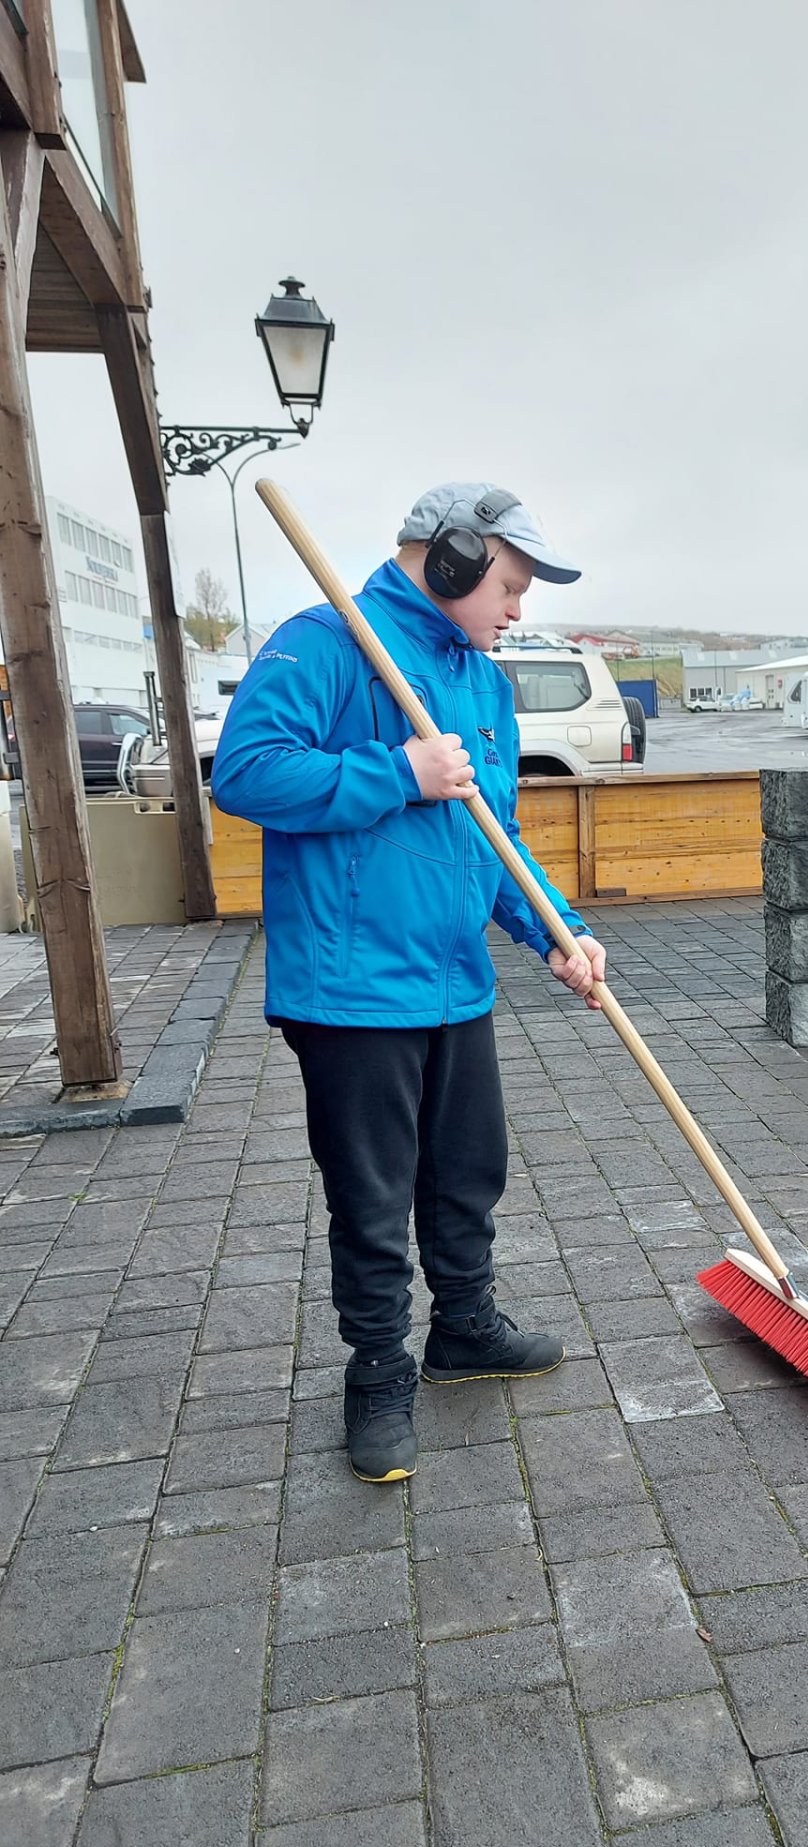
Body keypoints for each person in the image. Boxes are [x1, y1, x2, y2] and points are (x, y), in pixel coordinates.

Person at [211, 482, 607, 1485]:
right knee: (374, 1194)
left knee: (468, 1171)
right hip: (349, 989)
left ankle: (465, 1329)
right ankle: (378, 1369)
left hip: (452, 980)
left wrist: (558, 932)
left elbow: (495, 836)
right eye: (509, 586)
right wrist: (396, 771)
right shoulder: (326, 643)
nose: (518, 610)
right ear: (456, 560)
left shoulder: (480, 682)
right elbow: (246, 773)